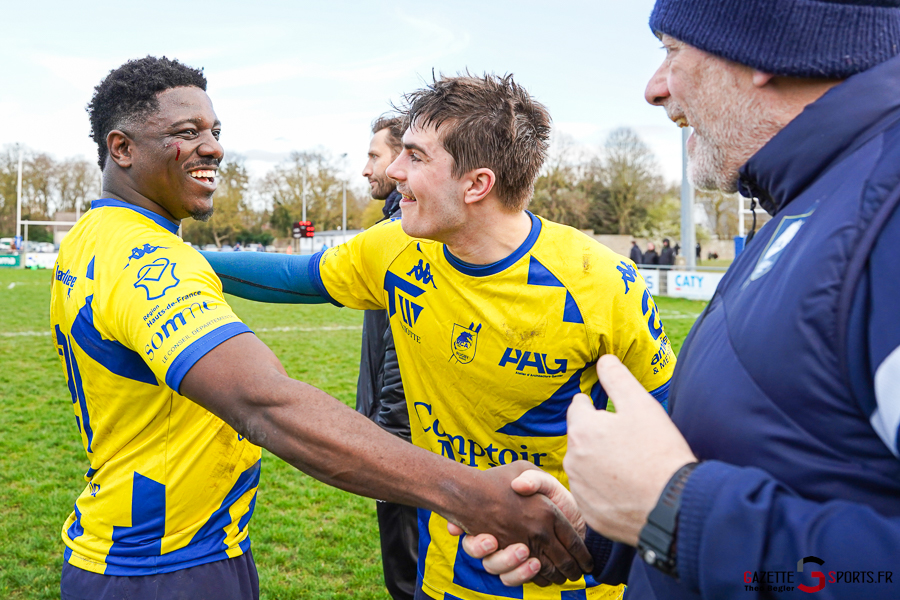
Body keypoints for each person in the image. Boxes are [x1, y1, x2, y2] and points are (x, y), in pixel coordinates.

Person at [50, 57, 593, 600]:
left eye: (215, 131)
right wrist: (472, 494)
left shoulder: (93, 237)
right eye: (186, 133)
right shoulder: (145, 257)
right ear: (121, 148)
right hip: (164, 565)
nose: (213, 146)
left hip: (141, 545)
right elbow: (266, 403)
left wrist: (189, 259)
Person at [462, 0, 900, 598]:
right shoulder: (813, 205)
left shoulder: (886, 214)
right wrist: (605, 527)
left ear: (761, 46)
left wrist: (672, 513)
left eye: (671, 51)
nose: (655, 88)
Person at [203, 73, 676, 600]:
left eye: (416, 157)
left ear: (477, 184)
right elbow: (297, 277)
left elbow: (677, 435)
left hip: (567, 576)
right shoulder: (395, 248)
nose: (395, 171)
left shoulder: (601, 284)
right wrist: (175, 257)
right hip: (445, 572)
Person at [358, 112, 418, 600]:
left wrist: (387, 441)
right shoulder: (396, 225)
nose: (366, 169)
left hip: (401, 438)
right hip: (397, 429)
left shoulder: (406, 233)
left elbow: (402, 346)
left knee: (407, 575)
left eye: (374, 155)